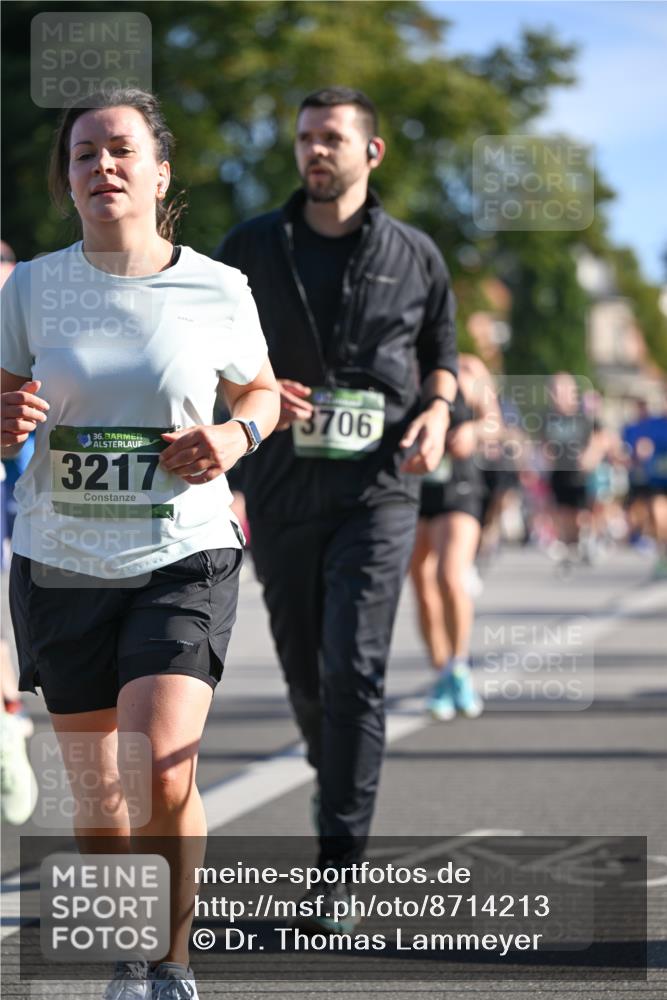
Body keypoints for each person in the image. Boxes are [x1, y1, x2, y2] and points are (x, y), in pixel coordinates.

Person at [1, 88, 279, 1000]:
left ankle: (171, 962)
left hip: (183, 552)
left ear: (160, 173)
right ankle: (127, 954)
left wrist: (234, 436)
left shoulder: (217, 287)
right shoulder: (31, 288)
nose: (102, 166)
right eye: (83, 154)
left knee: (158, 769)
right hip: (61, 562)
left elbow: (262, 393)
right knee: (100, 794)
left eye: (121, 149)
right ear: (67, 179)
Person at [215, 86, 458, 929]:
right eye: (305, 138)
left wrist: (438, 411)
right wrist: (248, 393)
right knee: (305, 671)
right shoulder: (250, 247)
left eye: (331, 138)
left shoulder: (415, 254)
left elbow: (441, 351)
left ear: (370, 152)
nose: (315, 151)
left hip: (378, 489)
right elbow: (207, 354)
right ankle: (336, 775)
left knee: (353, 666)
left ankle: (340, 867)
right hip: (281, 485)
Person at [409, 354, 498, 720]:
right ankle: (442, 671)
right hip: (415, 489)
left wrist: (475, 431)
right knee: (422, 584)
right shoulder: (399, 362)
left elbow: (495, 423)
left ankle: (458, 667)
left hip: (459, 489)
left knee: (449, 575)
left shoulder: (468, 369)